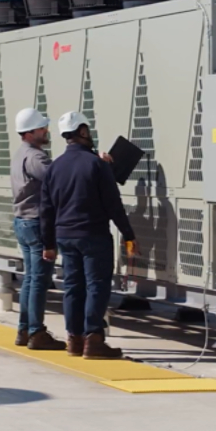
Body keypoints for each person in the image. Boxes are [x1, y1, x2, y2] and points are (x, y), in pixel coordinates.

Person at [40, 111, 139, 359]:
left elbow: (46, 209)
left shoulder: (55, 167)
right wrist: (128, 234)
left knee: (73, 287)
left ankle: (74, 340)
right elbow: (113, 204)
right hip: (93, 234)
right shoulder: (97, 164)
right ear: (82, 132)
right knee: (97, 285)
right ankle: (94, 340)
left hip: (64, 236)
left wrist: (48, 243)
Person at [10, 107, 66, 351]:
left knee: (30, 280)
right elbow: (59, 179)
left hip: (24, 221)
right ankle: (36, 332)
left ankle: (24, 329)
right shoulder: (36, 157)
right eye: (42, 128)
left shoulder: (21, 153)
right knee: (39, 281)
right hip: (36, 222)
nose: (46, 131)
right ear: (31, 132)